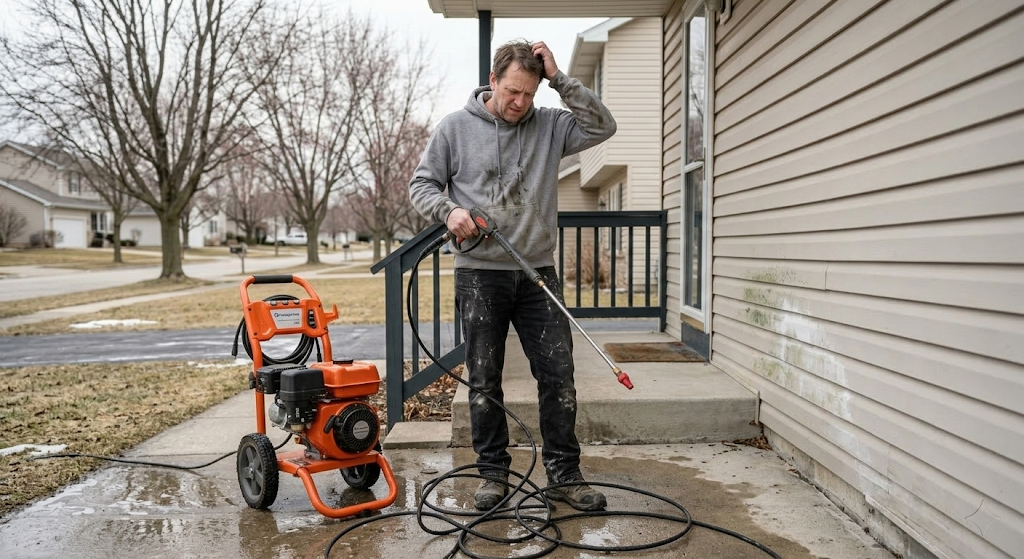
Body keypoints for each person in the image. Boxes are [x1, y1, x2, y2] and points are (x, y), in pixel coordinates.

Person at [409, 39, 617, 512]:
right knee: (485, 379)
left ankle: (564, 475)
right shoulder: (455, 129)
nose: (520, 102)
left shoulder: (552, 125)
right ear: (493, 80)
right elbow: (421, 184)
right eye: (511, 91)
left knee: (558, 375)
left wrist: (560, 79)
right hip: (480, 275)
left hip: (537, 273)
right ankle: (493, 476)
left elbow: (603, 125)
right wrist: (449, 211)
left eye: (529, 92)